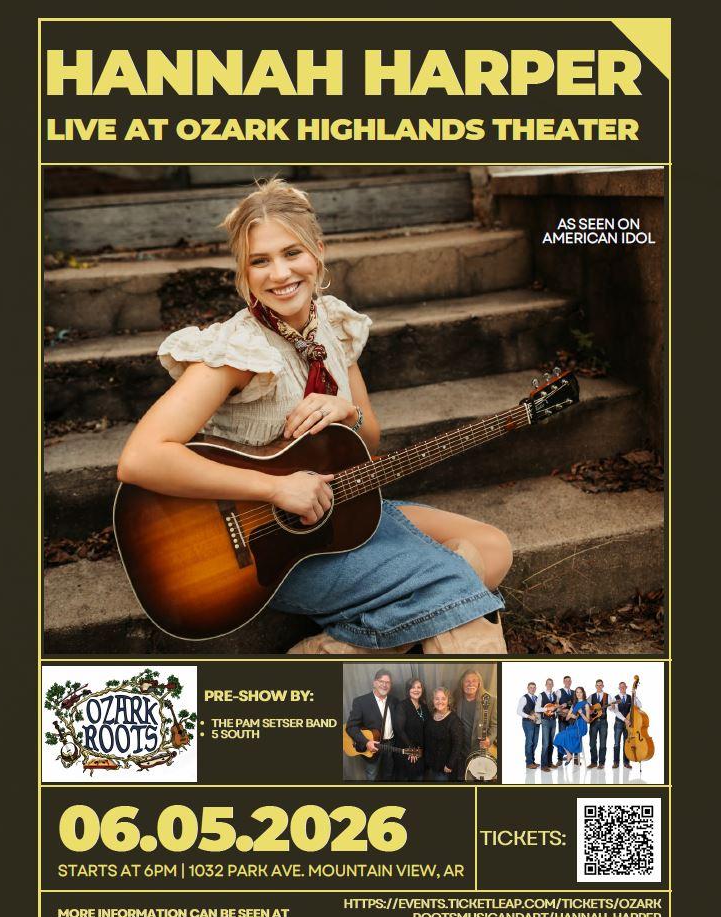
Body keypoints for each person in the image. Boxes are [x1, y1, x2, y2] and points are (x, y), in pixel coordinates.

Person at [116, 177, 513, 654]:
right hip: (263, 553)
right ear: (243, 273)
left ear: (318, 251)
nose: (279, 273)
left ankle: (351, 646)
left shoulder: (333, 327)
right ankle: (441, 623)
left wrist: (346, 411)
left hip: (336, 515)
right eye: (259, 261)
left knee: (492, 548)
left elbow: (370, 440)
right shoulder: (237, 352)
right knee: (457, 582)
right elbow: (139, 459)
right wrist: (275, 487)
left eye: (292, 253)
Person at [345, 669, 399, 782]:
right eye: (381, 681)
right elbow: (350, 727)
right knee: (372, 776)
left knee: (389, 775)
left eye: (388, 682)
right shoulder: (361, 702)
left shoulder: (395, 701)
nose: (384, 685)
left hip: (390, 745)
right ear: (374, 682)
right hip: (372, 746)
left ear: (391, 685)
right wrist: (366, 742)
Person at [452, 669, 497, 780]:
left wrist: (489, 739)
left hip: (479, 750)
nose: (470, 684)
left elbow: (495, 725)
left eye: (474, 681)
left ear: (479, 683)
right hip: (460, 750)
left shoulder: (491, 700)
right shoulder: (456, 698)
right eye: (467, 681)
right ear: (462, 683)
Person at [423, 687, 464, 781]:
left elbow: (458, 745)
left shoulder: (454, 721)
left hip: (445, 768)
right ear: (433, 701)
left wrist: (450, 764)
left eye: (443, 698)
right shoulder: (431, 716)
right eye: (437, 698)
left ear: (448, 701)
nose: (439, 701)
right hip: (430, 765)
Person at [392, 677, 429, 781]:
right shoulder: (402, 706)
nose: (416, 690)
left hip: (421, 750)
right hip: (407, 750)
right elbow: (399, 730)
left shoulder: (423, 706)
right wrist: (412, 749)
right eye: (413, 687)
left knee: (419, 777)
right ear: (408, 690)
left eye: (419, 687)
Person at [553, 686, 590, 766]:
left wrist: (581, 713)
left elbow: (588, 721)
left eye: (580, 692)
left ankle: (570, 754)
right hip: (573, 726)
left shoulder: (586, 704)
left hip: (581, 728)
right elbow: (566, 718)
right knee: (558, 736)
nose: (578, 694)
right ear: (575, 694)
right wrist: (571, 716)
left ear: (583, 693)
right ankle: (568, 754)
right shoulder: (574, 705)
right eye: (577, 692)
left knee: (563, 735)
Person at [610, 681, 641, 769]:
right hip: (619, 723)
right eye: (621, 687)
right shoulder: (615, 698)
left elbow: (639, 705)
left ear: (626, 687)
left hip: (629, 725)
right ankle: (616, 762)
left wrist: (635, 696)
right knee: (616, 743)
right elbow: (615, 711)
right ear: (619, 688)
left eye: (624, 687)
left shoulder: (630, 697)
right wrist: (625, 720)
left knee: (626, 743)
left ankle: (626, 762)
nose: (622, 688)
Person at [535, 678, 558, 772]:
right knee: (545, 744)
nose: (549, 685)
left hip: (553, 721)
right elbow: (537, 708)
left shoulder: (555, 695)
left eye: (551, 684)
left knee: (551, 743)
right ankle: (543, 765)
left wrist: (556, 708)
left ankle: (549, 762)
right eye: (548, 684)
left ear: (553, 685)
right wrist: (548, 709)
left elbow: (556, 707)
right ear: (545, 684)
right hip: (545, 721)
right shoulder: (541, 695)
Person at [516, 681, 540, 770]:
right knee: (529, 742)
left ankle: (532, 761)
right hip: (527, 723)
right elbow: (518, 711)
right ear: (528, 688)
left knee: (535, 742)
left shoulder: (537, 698)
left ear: (535, 688)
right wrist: (529, 716)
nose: (532, 689)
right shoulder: (524, 698)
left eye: (534, 687)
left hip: (537, 723)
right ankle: (529, 762)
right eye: (531, 687)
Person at [587, 679, 610, 769]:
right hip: (593, 721)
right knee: (592, 742)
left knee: (603, 743)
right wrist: (591, 710)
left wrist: (612, 706)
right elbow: (586, 706)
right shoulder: (591, 696)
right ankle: (593, 762)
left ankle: (601, 763)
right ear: (595, 686)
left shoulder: (607, 696)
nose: (599, 687)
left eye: (601, 685)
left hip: (603, 722)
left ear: (603, 686)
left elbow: (613, 709)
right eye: (597, 685)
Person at [555, 676, 575, 765]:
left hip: (572, 719)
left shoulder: (575, 692)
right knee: (561, 736)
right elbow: (555, 705)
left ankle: (574, 758)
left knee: (573, 737)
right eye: (566, 681)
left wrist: (570, 711)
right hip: (562, 718)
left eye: (569, 681)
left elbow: (576, 705)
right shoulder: (559, 691)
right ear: (563, 681)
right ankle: (559, 759)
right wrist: (562, 710)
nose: (568, 682)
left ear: (571, 682)